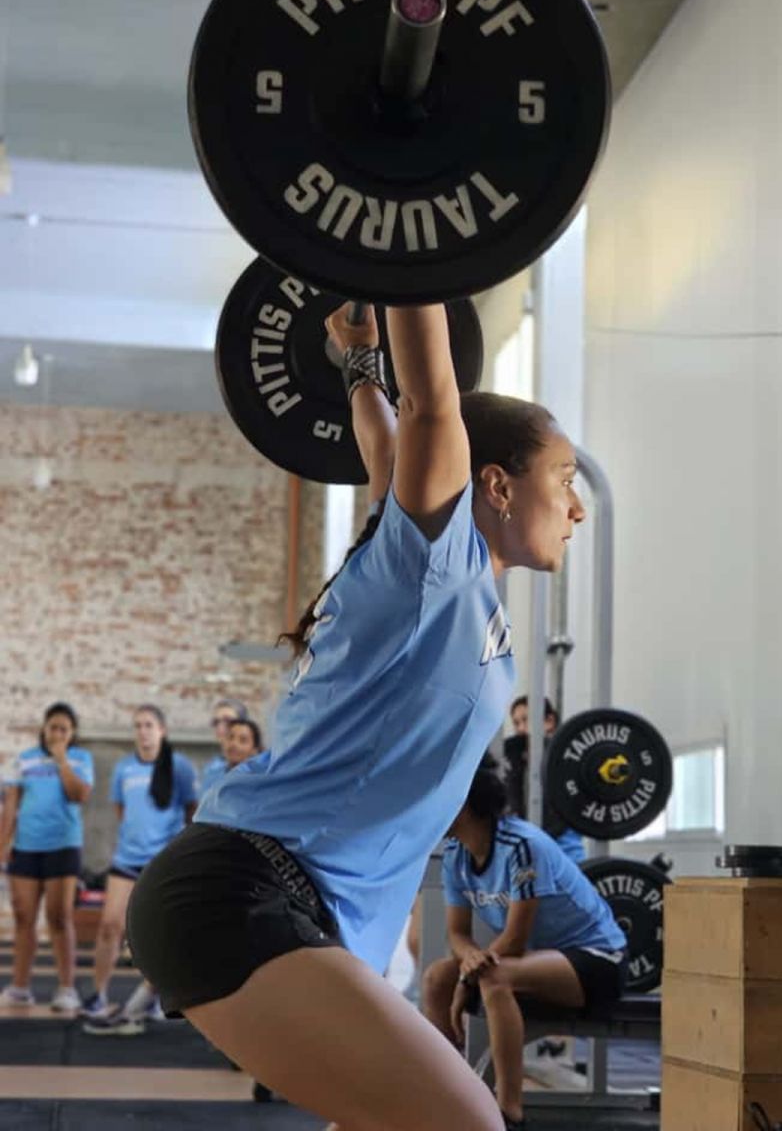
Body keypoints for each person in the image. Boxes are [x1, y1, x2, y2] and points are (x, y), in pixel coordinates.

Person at [126, 300, 585, 1131]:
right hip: (245, 892)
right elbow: (432, 407)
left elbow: (384, 442)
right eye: (564, 478)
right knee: (470, 1123)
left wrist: (358, 361)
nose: (577, 507)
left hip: (293, 909)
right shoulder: (433, 565)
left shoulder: (438, 577)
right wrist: (414, 248)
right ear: (496, 484)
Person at [422, 756, 628, 1130]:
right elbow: (458, 934)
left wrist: (469, 978)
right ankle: (451, 1093)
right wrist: (466, 961)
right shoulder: (455, 855)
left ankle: (509, 1113)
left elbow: (514, 939)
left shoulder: (521, 846)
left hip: (598, 960)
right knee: (437, 978)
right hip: (537, 958)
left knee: (494, 977)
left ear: (466, 805)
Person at [82, 705, 197, 1022]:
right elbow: (121, 811)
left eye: (149, 725)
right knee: (109, 926)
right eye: (138, 726)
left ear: (162, 731)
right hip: (127, 860)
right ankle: (99, 995)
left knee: (161, 932)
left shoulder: (181, 768)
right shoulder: (124, 768)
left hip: (163, 861)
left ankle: (152, 995)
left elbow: (192, 810)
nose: (143, 731)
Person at [0, 702, 93, 1012]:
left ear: (72, 733)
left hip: (63, 845)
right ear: (44, 728)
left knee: (59, 916)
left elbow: (79, 795)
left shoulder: (80, 759)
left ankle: (67, 988)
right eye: (52, 727)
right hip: (26, 847)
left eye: (63, 729)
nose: (56, 733)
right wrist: (3, 845)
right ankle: (20, 986)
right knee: (24, 916)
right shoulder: (24, 760)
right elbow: (11, 804)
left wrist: (61, 759)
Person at [504, 696, 585, 865]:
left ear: (549, 721)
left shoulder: (568, 756)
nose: (520, 728)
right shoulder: (516, 761)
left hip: (563, 838)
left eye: (526, 720)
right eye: (516, 723)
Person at [198, 698, 249, 798]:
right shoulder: (211, 769)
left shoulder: (256, 767)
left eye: (228, 721)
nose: (220, 727)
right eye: (216, 722)